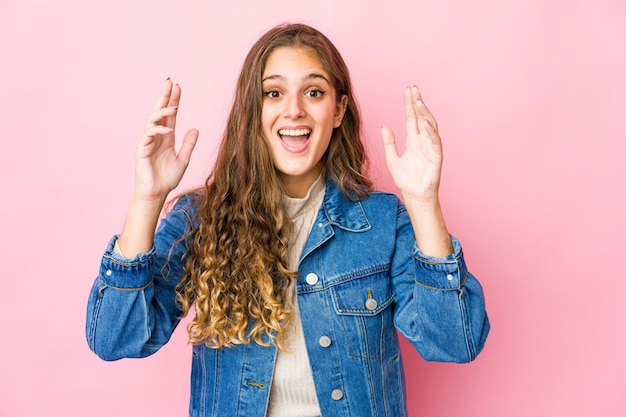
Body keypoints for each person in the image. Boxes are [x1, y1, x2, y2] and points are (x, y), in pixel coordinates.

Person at [86, 23, 489, 417]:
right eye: (273, 93)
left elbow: (455, 342)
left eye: (313, 92)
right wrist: (147, 199)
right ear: (253, 109)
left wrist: (422, 202)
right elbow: (115, 338)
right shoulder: (200, 218)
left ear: (338, 110)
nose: (293, 109)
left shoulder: (383, 220)